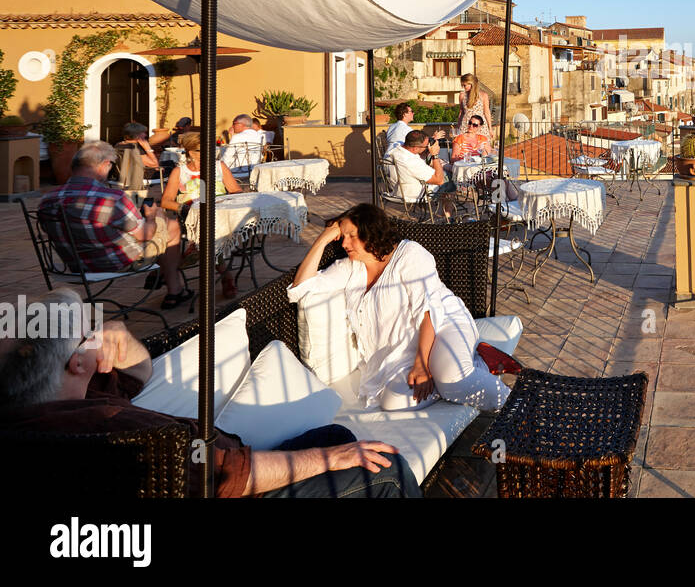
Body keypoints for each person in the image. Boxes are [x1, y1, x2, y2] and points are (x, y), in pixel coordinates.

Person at [0, 289, 420, 498]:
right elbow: (233, 474)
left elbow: (139, 373)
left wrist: (122, 341)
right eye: (89, 333)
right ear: (76, 362)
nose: (98, 335)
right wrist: (333, 460)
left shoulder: (58, 401)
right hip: (229, 481)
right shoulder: (108, 426)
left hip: (219, 461)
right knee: (386, 471)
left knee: (337, 434)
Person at [289, 204, 512, 413]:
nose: (344, 244)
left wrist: (422, 364)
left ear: (371, 232)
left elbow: (429, 312)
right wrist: (325, 237)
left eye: (352, 236)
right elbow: (300, 289)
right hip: (401, 352)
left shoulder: (409, 255)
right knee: (392, 401)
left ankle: (516, 405)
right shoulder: (350, 268)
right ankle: (457, 372)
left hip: (443, 324)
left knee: (453, 379)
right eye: (343, 236)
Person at [38, 141, 188, 309]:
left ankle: (163, 273)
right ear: (104, 165)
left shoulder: (47, 199)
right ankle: (174, 289)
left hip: (72, 265)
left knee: (156, 220)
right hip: (116, 263)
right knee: (171, 225)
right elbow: (144, 234)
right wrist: (151, 218)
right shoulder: (112, 198)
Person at [161, 131, 243, 298]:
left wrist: (226, 202)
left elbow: (236, 191)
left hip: (221, 216)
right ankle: (226, 275)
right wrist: (186, 209)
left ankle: (182, 260)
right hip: (192, 218)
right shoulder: (180, 172)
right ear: (191, 152)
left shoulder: (219, 167)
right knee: (207, 236)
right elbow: (166, 201)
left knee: (208, 236)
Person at [389, 131, 455, 220]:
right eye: (425, 146)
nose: (427, 147)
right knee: (451, 178)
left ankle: (446, 213)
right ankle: (448, 217)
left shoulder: (397, 148)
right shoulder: (411, 162)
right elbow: (439, 180)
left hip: (398, 188)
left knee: (445, 171)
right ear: (415, 148)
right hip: (415, 193)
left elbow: (421, 154)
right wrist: (435, 155)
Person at [454, 75, 493, 141]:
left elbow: (487, 112)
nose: (464, 87)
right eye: (463, 85)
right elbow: (461, 112)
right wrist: (458, 127)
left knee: (482, 146)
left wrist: (490, 128)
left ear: (471, 84)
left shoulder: (483, 95)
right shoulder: (462, 95)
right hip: (466, 125)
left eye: (465, 85)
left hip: (479, 125)